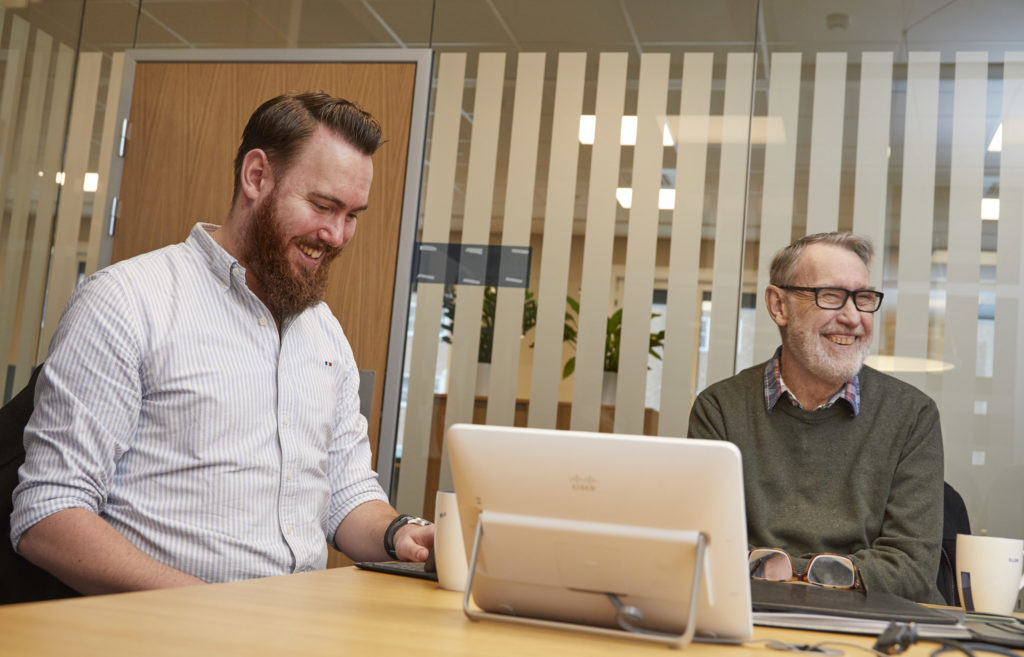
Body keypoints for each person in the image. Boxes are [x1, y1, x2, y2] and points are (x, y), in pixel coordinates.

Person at [10, 92, 434, 594]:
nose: (337, 235)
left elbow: (344, 491)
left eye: (352, 215)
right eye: (323, 206)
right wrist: (212, 612)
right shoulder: (127, 301)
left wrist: (403, 535)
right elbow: (48, 513)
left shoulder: (324, 333)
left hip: (297, 630)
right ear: (256, 177)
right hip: (163, 632)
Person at [687, 232, 943, 603]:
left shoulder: (912, 415)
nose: (853, 318)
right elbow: (705, 551)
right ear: (779, 306)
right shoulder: (720, 409)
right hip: (751, 616)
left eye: (863, 298)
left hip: (872, 625)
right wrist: (846, 572)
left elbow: (913, 568)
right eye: (832, 296)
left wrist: (789, 570)